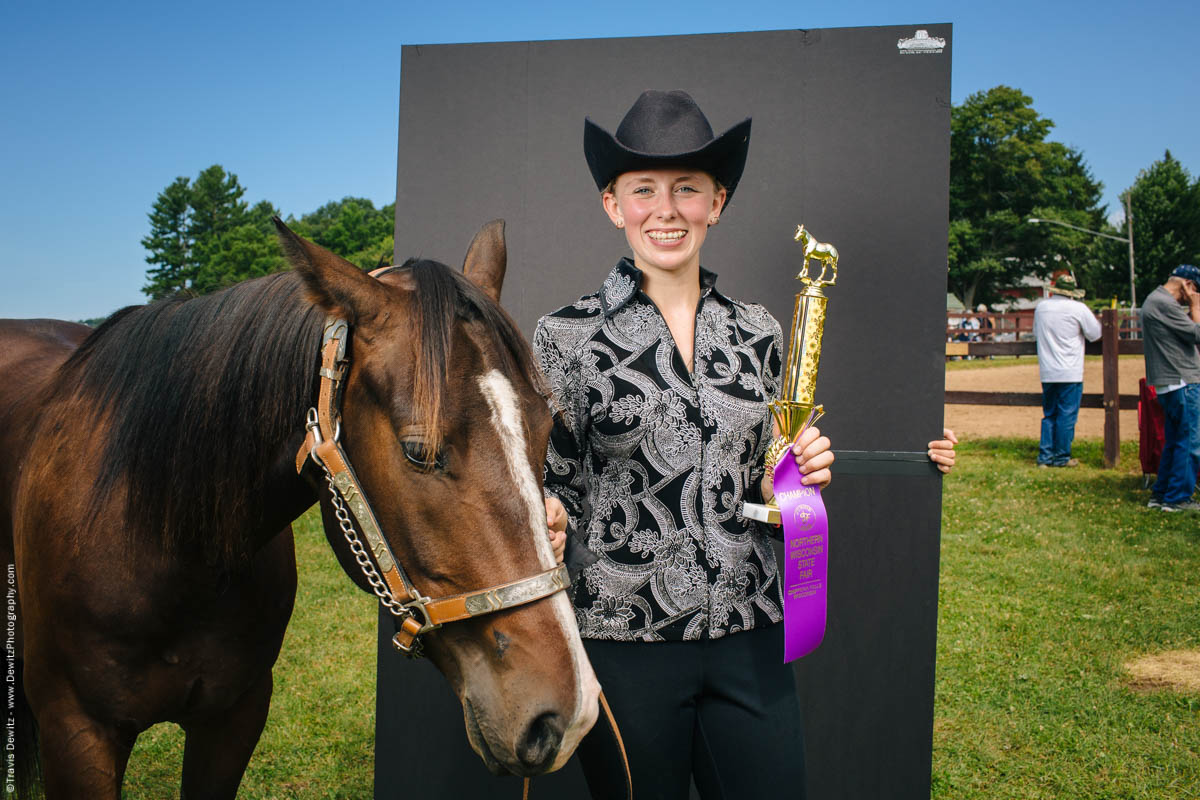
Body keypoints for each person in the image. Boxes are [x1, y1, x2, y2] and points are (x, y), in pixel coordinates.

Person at [532, 90, 956, 798]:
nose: (666, 209)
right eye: (644, 190)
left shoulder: (758, 330)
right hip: (621, 638)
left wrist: (791, 477)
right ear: (613, 204)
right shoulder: (563, 336)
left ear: (717, 203)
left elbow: (764, 475)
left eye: (687, 189)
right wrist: (545, 511)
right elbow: (555, 484)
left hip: (751, 629)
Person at [1141, 264, 1200, 511]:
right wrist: (1195, 306)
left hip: (1170, 384)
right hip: (1183, 381)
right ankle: (1178, 499)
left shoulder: (1154, 301)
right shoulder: (1164, 303)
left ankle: (1162, 494)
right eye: (1195, 289)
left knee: (1175, 442)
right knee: (1190, 444)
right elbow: (1198, 333)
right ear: (1187, 284)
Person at [1033, 273, 1101, 467]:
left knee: (1049, 414)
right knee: (1067, 415)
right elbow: (1095, 334)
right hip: (1070, 370)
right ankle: (1061, 456)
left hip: (1047, 370)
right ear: (1072, 292)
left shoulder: (1042, 308)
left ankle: (1045, 456)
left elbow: (1036, 333)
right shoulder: (1078, 308)